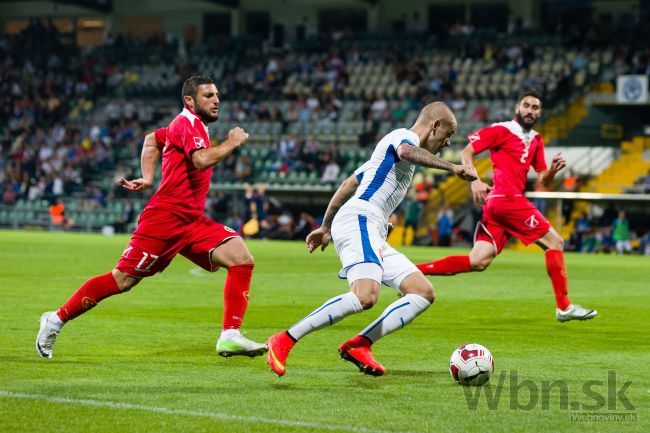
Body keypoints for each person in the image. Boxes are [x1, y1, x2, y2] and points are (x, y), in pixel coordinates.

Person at [36, 76, 267, 359]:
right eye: (208, 95)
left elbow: (150, 140)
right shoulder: (185, 123)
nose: (216, 100)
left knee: (241, 258)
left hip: (191, 222)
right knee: (122, 280)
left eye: (217, 94)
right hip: (165, 219)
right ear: (190, 101)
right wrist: (232, 142)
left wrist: (148, 177)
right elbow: (201, 160)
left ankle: (230, 335)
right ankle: (55, 320)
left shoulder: (189, 126)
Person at [266, 102, 477, 377]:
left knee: (422, 292)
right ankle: (284, 339)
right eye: (447, 133)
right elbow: (407, 151)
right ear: (435, 125)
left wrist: (325, 227)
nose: (448, 141)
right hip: (360, 219)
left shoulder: (385, 154)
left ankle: (361, 344)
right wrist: (452, 168)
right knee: (365, 295)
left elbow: (348, 185)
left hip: (370, 225)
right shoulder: (405, 138)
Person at [415, 89, 597, 322]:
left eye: (535, 108)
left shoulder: (537, 140)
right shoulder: (502, 130)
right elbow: (466, 152)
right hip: (506, 199)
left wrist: (552, 170)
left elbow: (542, 179)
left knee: (477, 261)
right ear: (517, 108)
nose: (530, 111)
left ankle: (412, 273)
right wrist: (475, 181)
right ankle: (564, 306)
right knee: (555, 242)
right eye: (527, 106)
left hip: (499, 205)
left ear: (540, 112)